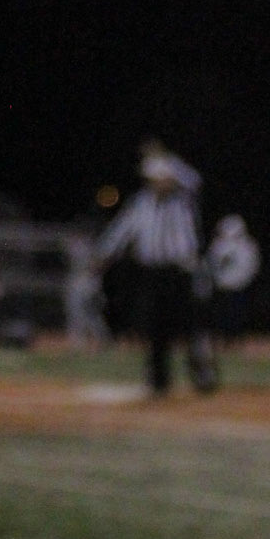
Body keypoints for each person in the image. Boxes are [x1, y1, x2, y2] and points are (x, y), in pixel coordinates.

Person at [95, 141, 216, 396]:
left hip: (180, 271)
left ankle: (202, 374)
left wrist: (167, 157)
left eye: (163, 178)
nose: (159, 183)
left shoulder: (183, 200)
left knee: (191, 326)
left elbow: (194, 179)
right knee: (155, 327)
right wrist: (104, 254)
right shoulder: (142, 203)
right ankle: (159, 380)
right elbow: (122, 229)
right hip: (152, 274)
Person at [206, 213, 260, 344]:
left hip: (239, 286)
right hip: (222, 287)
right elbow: (211, 264)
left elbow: (252, 265)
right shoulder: (218, 245)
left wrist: (245, 280)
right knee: (222, 314)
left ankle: (236, 338)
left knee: (237, 314)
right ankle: (224, 338)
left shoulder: (247, 245)